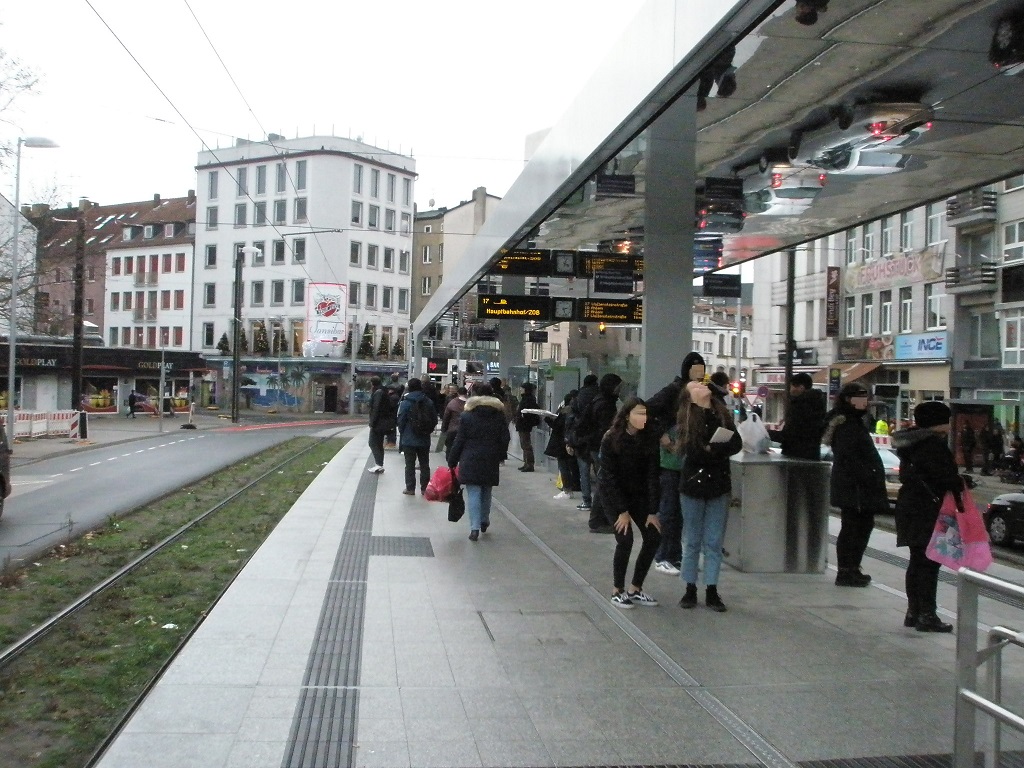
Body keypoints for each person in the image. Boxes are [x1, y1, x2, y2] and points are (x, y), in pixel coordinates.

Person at [892, 402, 961, 633]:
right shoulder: (932, 445)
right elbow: (945, 477)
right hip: (927, 509)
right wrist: (962, 482)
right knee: (929, 564)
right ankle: (927, 615)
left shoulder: (911, 443)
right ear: (938, 422)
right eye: (947, 420)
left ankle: (913, 612)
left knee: (917, 561)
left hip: (910, 506)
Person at [676, 380, 742, 611]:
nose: (702, 386)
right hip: (693, 485)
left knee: (714, 542)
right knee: (692, 540)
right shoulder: (686, 417)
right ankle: (690, 588)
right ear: (689, 395)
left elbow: (735, 443)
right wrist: (713, 450)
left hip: (718, 485)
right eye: (695, 386)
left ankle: (712, 589)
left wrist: (712, 449)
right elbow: (690, 450)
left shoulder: (721, 412)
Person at [597, 397, 662, 608]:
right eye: (638, 413)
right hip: (613, 495)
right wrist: (622, 511)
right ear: (627, 416)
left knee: (653, 536)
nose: (643, 418)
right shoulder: (611, 439)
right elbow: (608, 477)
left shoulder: (648, 439)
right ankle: (617, 589)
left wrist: (652, 511)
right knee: (625, 539)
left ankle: (636, 588)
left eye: (645, 414)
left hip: (638, 494)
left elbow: (653, 476)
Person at [823, 383, 888, 587]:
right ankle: (846, 571)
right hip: (855, 487)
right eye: (860, 397)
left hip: (855, 485)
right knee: (854, 529)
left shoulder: (853, 421)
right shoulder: (846, 423)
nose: (865, 401)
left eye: (865, 397)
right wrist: (868, 475)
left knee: (858, 527)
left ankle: (851, 569)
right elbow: (849, 456)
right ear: (848, 400)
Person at [448, 382, 511, 541]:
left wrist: (452, 459)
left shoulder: (467, 416)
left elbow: (459, 440)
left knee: (474, 491)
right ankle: (484, 520)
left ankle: (474, 528)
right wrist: (500, 454)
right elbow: (505, 438)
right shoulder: (499, 416)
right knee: (487, 490)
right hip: (491, 457)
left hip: (470, 457)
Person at [574, 373, 623, 533]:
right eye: (617, 387)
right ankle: (598, 520)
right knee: (604, 484)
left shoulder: (600, 400)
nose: (619, 390)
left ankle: (601, 519)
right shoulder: (605, 404)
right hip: (600, 448)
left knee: (604, 483)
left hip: (596, 447)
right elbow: (604, 430)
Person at [766, 372, 827, 460]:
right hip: (812, 455)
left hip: (795, 456)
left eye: (792, 386)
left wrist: (767, 433)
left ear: (801, 387)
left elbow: (791, 435)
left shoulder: (800, 405)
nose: (790, 390)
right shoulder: (818, 404)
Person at [396, 378, 437, 496]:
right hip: (424, 438)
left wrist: (403, 432)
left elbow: (401, 420)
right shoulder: (428, 401)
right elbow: (434, 419)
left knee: (409, 465)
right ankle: (425, 488)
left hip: (409, 438)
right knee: (424, 464)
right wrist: (427, 430)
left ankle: (410, 488)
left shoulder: (405, 402)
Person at [652, 419, 683, 576]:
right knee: (669, 513)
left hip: (682, 467)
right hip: (670, 467)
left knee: (677, 515)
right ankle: (662, 556)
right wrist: (665, 438)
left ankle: (675, 556)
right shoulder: (668, 401)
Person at [565, 374, 600, 512]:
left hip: (581, 440)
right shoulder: (600, 397)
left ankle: (586, 500)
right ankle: (601, 502)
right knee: (601, 472)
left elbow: (571, 420)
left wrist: (569, 440)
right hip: (597, 439)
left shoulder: (578, 398)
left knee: (584, 472)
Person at [545, 391, 580, 500]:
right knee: (570, 466)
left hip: (562, 443)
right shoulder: (575, 412)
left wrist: (548, 419)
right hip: (567, 442)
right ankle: (572, 486)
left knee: (564, 466)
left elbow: (558, 426)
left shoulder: (566, 413)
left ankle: (567, 489)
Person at [366, 376, 394, 474]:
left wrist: (372, 423)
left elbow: (376, 409)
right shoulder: (383, 391)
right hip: (382, 422)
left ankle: (379, 464)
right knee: (378, 443)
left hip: (378, 423)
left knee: (373, 443)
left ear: (372, 383)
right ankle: (379, 464)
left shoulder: (378, 393)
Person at [513, 382, 541, 472]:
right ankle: (526, 463)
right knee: (524, 445)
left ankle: (529, 464)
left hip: (525, 424)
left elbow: (528, 411)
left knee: (526, 445)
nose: (521, 390)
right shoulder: (526, 398)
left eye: (522, 389)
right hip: (523, 424)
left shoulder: (528, 399)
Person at [440, 386, 468, 462]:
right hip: (466, 431)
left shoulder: (452, 403)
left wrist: (444, 429)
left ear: (458, 393)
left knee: (450, 448)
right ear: (466, 393)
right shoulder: (470, 404)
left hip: (452, 430)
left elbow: (446, 417)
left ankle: (451, 468)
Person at [383, 373, 404, 449]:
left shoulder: (388, 387)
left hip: (391, 410)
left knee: (390, 426)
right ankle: (392, 441)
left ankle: (391, 441)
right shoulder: (401, 387)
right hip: (398, 408)